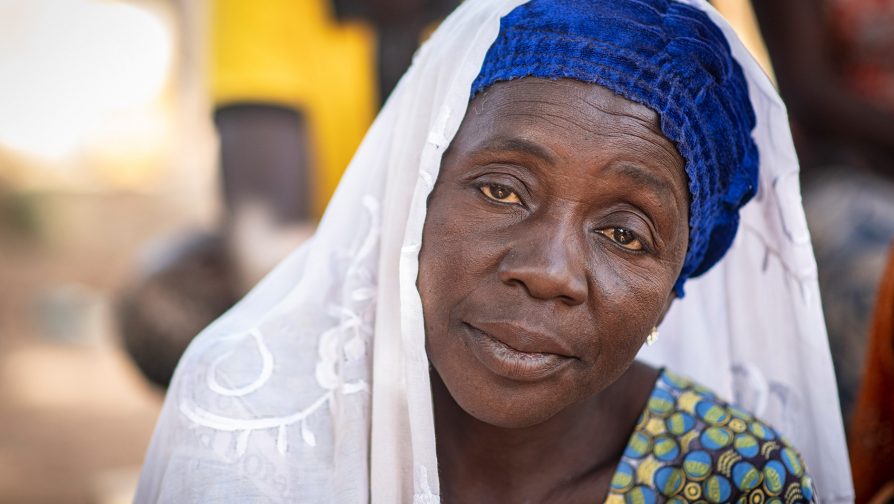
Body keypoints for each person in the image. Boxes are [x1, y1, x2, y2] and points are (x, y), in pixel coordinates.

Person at [134, 0, 853, 502]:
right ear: (415, 192)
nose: (546, 272)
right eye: (502, 191)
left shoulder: (730, 476)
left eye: (625, 234)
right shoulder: (253, 432)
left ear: (676, 283)